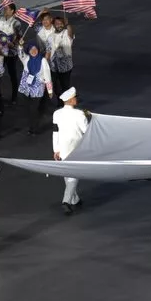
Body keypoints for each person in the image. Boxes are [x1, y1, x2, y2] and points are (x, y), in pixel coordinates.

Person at [52, 87, 90, 215]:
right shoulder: (79, 114)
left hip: (62, 148)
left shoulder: (56, 114)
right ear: (71, 100)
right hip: (76, 148)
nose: (76, 100)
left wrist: (56, 149)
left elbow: (55, 133)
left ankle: (75, 199)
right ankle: (66, 201)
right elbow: (86, 131)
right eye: (75, 98)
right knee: (73, 176)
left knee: (68, 175)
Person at [17, 41, 53, 135]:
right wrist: (20, 46)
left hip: (37, 88)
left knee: (33, 109)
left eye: (35, 49)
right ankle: (32, 125)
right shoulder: (27, 59)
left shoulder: (43, 60)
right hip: (27, 88)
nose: (33, 51)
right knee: (30, 109)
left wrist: (50, 90)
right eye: (31, 49)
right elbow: (20, 54)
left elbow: (47, 76)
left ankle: (34, 128)